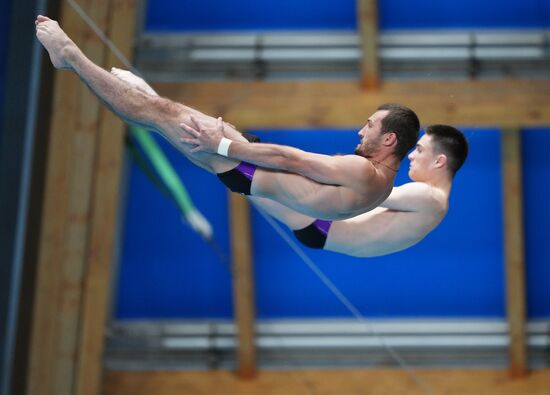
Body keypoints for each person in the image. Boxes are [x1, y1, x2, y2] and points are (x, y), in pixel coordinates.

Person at [35, 15, 419, 220]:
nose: (360, 129)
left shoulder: (363, 172)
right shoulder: (381, 188)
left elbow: (291, 160)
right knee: (159, 114)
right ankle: (138, 88)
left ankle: (69, 57)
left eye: (370, 125)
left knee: (159, 113)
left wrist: (221, 143)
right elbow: (300, 191)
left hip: (243, 166)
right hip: (247, 174)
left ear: (389, 140)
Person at [109, 71, 468, 257]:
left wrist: (341, 169)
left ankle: (151, 102)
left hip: (323, 222)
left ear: (440, 160)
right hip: (324, 232)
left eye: (418, 150)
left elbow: (377, 195)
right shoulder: (433, 208)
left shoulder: (429, 198)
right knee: (226, 165)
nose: (411, 155)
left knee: (238, 150)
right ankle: (153, 108)